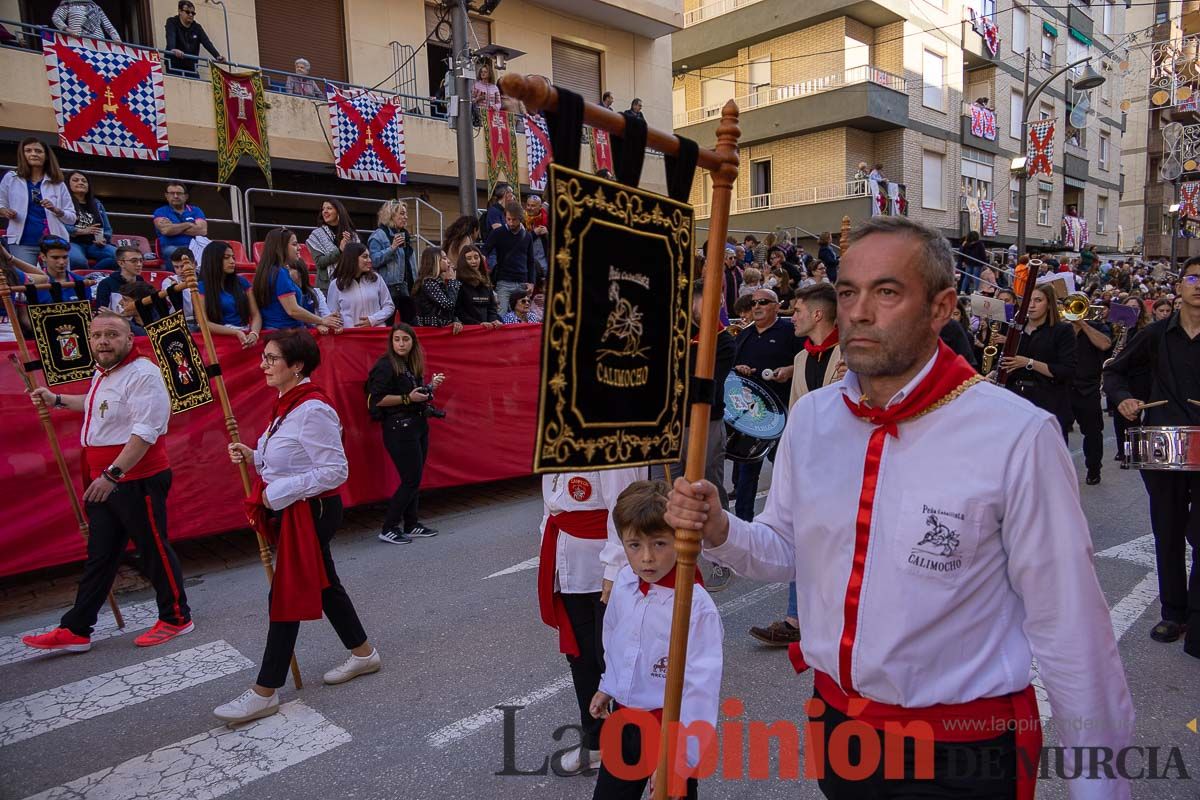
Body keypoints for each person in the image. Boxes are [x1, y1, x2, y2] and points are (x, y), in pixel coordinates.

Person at [666, 215, 1134, 799]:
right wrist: (719, 528)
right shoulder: (812, 420)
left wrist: (1101, 790)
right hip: (840, 733)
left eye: (886, 292)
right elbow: (786, 549)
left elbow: (1072, 632)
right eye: (846, 292)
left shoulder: (1017, 435)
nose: (857, 312)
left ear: (941, 308)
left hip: (963, 750)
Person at [215, 329, 380, 723]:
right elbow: (289, 459)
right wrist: (254, 456)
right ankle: (363, 654)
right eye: (265, 358)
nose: (264, 365)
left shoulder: (313, 408)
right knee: (325, 586)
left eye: (272, 359)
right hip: (296, 509)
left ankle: (265, 690)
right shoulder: (285, 404)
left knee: (286, 593)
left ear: (297, 365)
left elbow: (335, 470)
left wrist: (279, 492)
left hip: (313, 512)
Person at [24, 312, 195, 654]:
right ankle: (77, 628)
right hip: (105, 478)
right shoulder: (103, 373)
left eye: (112, 335)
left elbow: (145, 432)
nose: (103, 341)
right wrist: (56, 399)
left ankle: (177, 617)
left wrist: (111, 475)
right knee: (100, 555)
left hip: (135, 477)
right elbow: (94, 408)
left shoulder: (144, 374)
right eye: (98, 335)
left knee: (152, 548)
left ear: (129, 339)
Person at [590, 480, 721, 798]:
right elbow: (615, 640)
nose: (647, 558)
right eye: (634, 545)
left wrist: (680, 757)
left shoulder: (695, 605)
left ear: (681, 539)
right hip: (625, 718)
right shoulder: (624, 582)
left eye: (660, 544)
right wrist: (609, 684)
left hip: (671, 727)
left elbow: (701, 685)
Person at [1104, 259, 1200, 658]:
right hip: (1163, 442)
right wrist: (1124, 398)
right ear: (1180, 286)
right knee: (1168, 530)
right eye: (1194, 278)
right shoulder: (1156, 335)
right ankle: (1174, 612)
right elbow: (1114, 372)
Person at [537, 466, 648, 774]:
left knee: (612, 658)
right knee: (580, 655)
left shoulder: (609, 434)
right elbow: (552, 501)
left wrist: (615, 569)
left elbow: (625, 507)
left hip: (604, 565)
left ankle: (638, 741)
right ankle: (596, 741)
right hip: (567, 557)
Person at [750, 282, 841, 649]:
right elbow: (798, 415)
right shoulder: (802, 359)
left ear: (818, 314)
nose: (794, 317)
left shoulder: (852, 353)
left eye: (799, 311)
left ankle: (833, 615)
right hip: (811, 466)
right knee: (802, 536)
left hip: (844, 468)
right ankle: (795, 618)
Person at [368, 322, 445, 544]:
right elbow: (377, 400)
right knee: (411, 479)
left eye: (405, 339)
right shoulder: (385, 365)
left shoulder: (411, 363)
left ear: (413, 342)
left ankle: (411, 524)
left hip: (418, 424)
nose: (401, 343)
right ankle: (389, 526)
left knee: (415, 477)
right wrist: (406, 399)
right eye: (397, 339)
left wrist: (430, 387)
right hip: (398, 428)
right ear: (391, 342)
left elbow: (414, 394)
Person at [730, 288, 802, 521]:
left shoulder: (791, 331)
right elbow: (732, 367)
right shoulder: (745, 334)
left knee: (787, 471)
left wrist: (790, 370)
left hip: (781, 412)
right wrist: (739, 368)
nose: (757, 307)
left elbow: (808, 359)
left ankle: (791, 520)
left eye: (763, 302)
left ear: (776, 306)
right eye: (753, 303)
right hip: (752, 415)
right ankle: (744, 524)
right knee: (746, 473)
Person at [997, 283, 1077, 441]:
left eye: (1038, 300)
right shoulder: (1015, 329)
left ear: (1049, 304)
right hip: (1017, 401)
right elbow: (1009, 362)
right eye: (1029, 300)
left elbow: (1066, 371)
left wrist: (1029, 362)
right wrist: (994, 373)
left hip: (1049, 402)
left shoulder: (1062, 331)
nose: (1031, 305)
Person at [0, 137, 76, 264]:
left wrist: (56, 210)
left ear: (46, 156)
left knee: (57, 283)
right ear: (22, 155)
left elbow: (72, 218)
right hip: (22, 242)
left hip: (54, 245)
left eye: (38, 151)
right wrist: (4, 211)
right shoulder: (11, 178)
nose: (33, 154)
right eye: (28, 151)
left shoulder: (57, 183)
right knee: (27, 281)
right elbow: (1, 203)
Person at [253, 228, 341, 331]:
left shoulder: (267, 271)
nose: (299, 248)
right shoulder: (279, 273)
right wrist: (322, 321)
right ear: (281, 247)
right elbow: (293, 310)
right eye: (294, 244)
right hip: (286, 335)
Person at [1066, 307, 1113, 485]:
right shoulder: (1061, 328)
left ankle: (1094, 468)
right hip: (1063, 386)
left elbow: (1105, 344)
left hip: (1087, 388)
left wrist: (1082, 324)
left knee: (1093, 432)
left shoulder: (1098, 327)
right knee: (1057, 430)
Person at [197, 240, 261, 345]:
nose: (232, 261)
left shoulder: (242, 282)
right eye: (226, 258)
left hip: (246, 337)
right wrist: (235, 332)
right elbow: (204, 323)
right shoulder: (201, 287)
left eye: (233, 257)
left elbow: (256, 315)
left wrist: (254, 333)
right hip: (219, 342)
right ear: (213, 260)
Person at [483, 201, 537, 314]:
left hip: (522, 282)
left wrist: (531, 282)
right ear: (505, 217)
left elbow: (531, 261)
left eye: (514, 219)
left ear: (520, 218)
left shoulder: (527, 236)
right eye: (508, 219)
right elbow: (484, 252)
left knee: (522, 315)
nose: (511, 223)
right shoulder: (498, 233)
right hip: (504, 281)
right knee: (501, 314)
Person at [368, 199, 416, 323]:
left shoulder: (405, 235)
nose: (405, 217)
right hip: (388, 289)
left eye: (406, 214)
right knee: (386, 324)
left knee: (410, 325)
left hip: (407, 288)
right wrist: (392, 248)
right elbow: (373, 261)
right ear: (391, 215)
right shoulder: (378, 235)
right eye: (402, 213)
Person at [326, 242, 394, 328]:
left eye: (369, 256)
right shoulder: (336, 284)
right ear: (352, 258)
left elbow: (389, 306)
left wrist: (373, 320)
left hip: (375, 334)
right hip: (350, 337)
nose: (370, 260)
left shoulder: (376, 279)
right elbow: (332, 314)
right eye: (365, 257)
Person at [64, 171, 116, 272]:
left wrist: (104, 238)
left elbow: (107, 228)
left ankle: (93, 274)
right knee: (77, 260)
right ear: (67, 184)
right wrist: (81, 231)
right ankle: (87, 278)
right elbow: (59, 224)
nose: (80, 182)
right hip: (72, 242)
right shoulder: (64, 202)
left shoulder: (97, 204)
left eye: (84, 181)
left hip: (95, 243)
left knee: (119, 256)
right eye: (75, 180)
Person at [306, 199, 357, 292]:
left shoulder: (351, 235)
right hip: (326, 286)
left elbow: (358, 258)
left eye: (329, 208)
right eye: (323, 209)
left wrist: (350, 248)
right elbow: (320, 262)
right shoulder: (316, 235)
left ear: (338, 211)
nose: (325, 211)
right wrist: (340, 250)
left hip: (349, 282)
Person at [165, 0, 224, 77]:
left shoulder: (197, 27)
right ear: (180, 11)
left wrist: (217, 56)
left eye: (193, 13)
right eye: (187, 12)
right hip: (174, 65)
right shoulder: (172, 22)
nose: (190, 15)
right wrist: (173, 49)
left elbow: (207, 43)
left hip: (191, 66)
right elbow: (170, 36)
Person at [152, 182, 207, 262]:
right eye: (171, 193)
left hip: (195, 247)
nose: (175, 196)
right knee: (174, 252)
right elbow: (166, 230)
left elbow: (202, 231)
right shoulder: (160, 211)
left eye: (179, 193)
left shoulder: (196, 210)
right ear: (166, 196)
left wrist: (174, 227)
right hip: (171, 247)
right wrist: (189, 224)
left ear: (186, 196)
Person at [29, 236, 91, 305]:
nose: (61, 262)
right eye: (55, 258)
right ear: (43, 257)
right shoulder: (33, 283)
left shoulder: (82, 281)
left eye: (65, 257)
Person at [412, 246, 462, 330]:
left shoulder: (437, 282)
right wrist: (452, 282)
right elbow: (448, 305)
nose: (448, 261)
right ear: (435, 262)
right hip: (429, 330)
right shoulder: (429, 283)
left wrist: (455, 320)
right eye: (444, 258)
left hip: (438, 328)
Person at [454, 244, 501, 328]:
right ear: (463, 261)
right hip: (469, 329)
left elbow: (492, 307)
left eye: (476, 257)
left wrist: (493, 320)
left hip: (487, 329)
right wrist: (478, 324)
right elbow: (459, 311)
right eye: (469, 258)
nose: (474, 261)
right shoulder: (458, 283)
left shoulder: (486, 281)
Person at [95, 245, 144, 312]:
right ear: (121, 263)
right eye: (133, 261)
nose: (139, 264)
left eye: (141, 260)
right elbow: (101, 312)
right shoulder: (106, 284)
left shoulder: (141, 282)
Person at [159, 248, 195, 323]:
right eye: (176, 267)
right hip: (181, 322)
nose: (180, 271)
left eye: (182, 266)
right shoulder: (168, 281)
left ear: (194, 264)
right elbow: (184, 308)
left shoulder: (204, 279)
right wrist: (177, 288)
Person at [52, 0, 120, 39]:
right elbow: (56, 17)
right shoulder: (68, 4)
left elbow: (108, 26)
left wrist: (116, 38)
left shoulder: (96, 7)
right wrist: (68, 30)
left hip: (98, 43)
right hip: (78, 42)